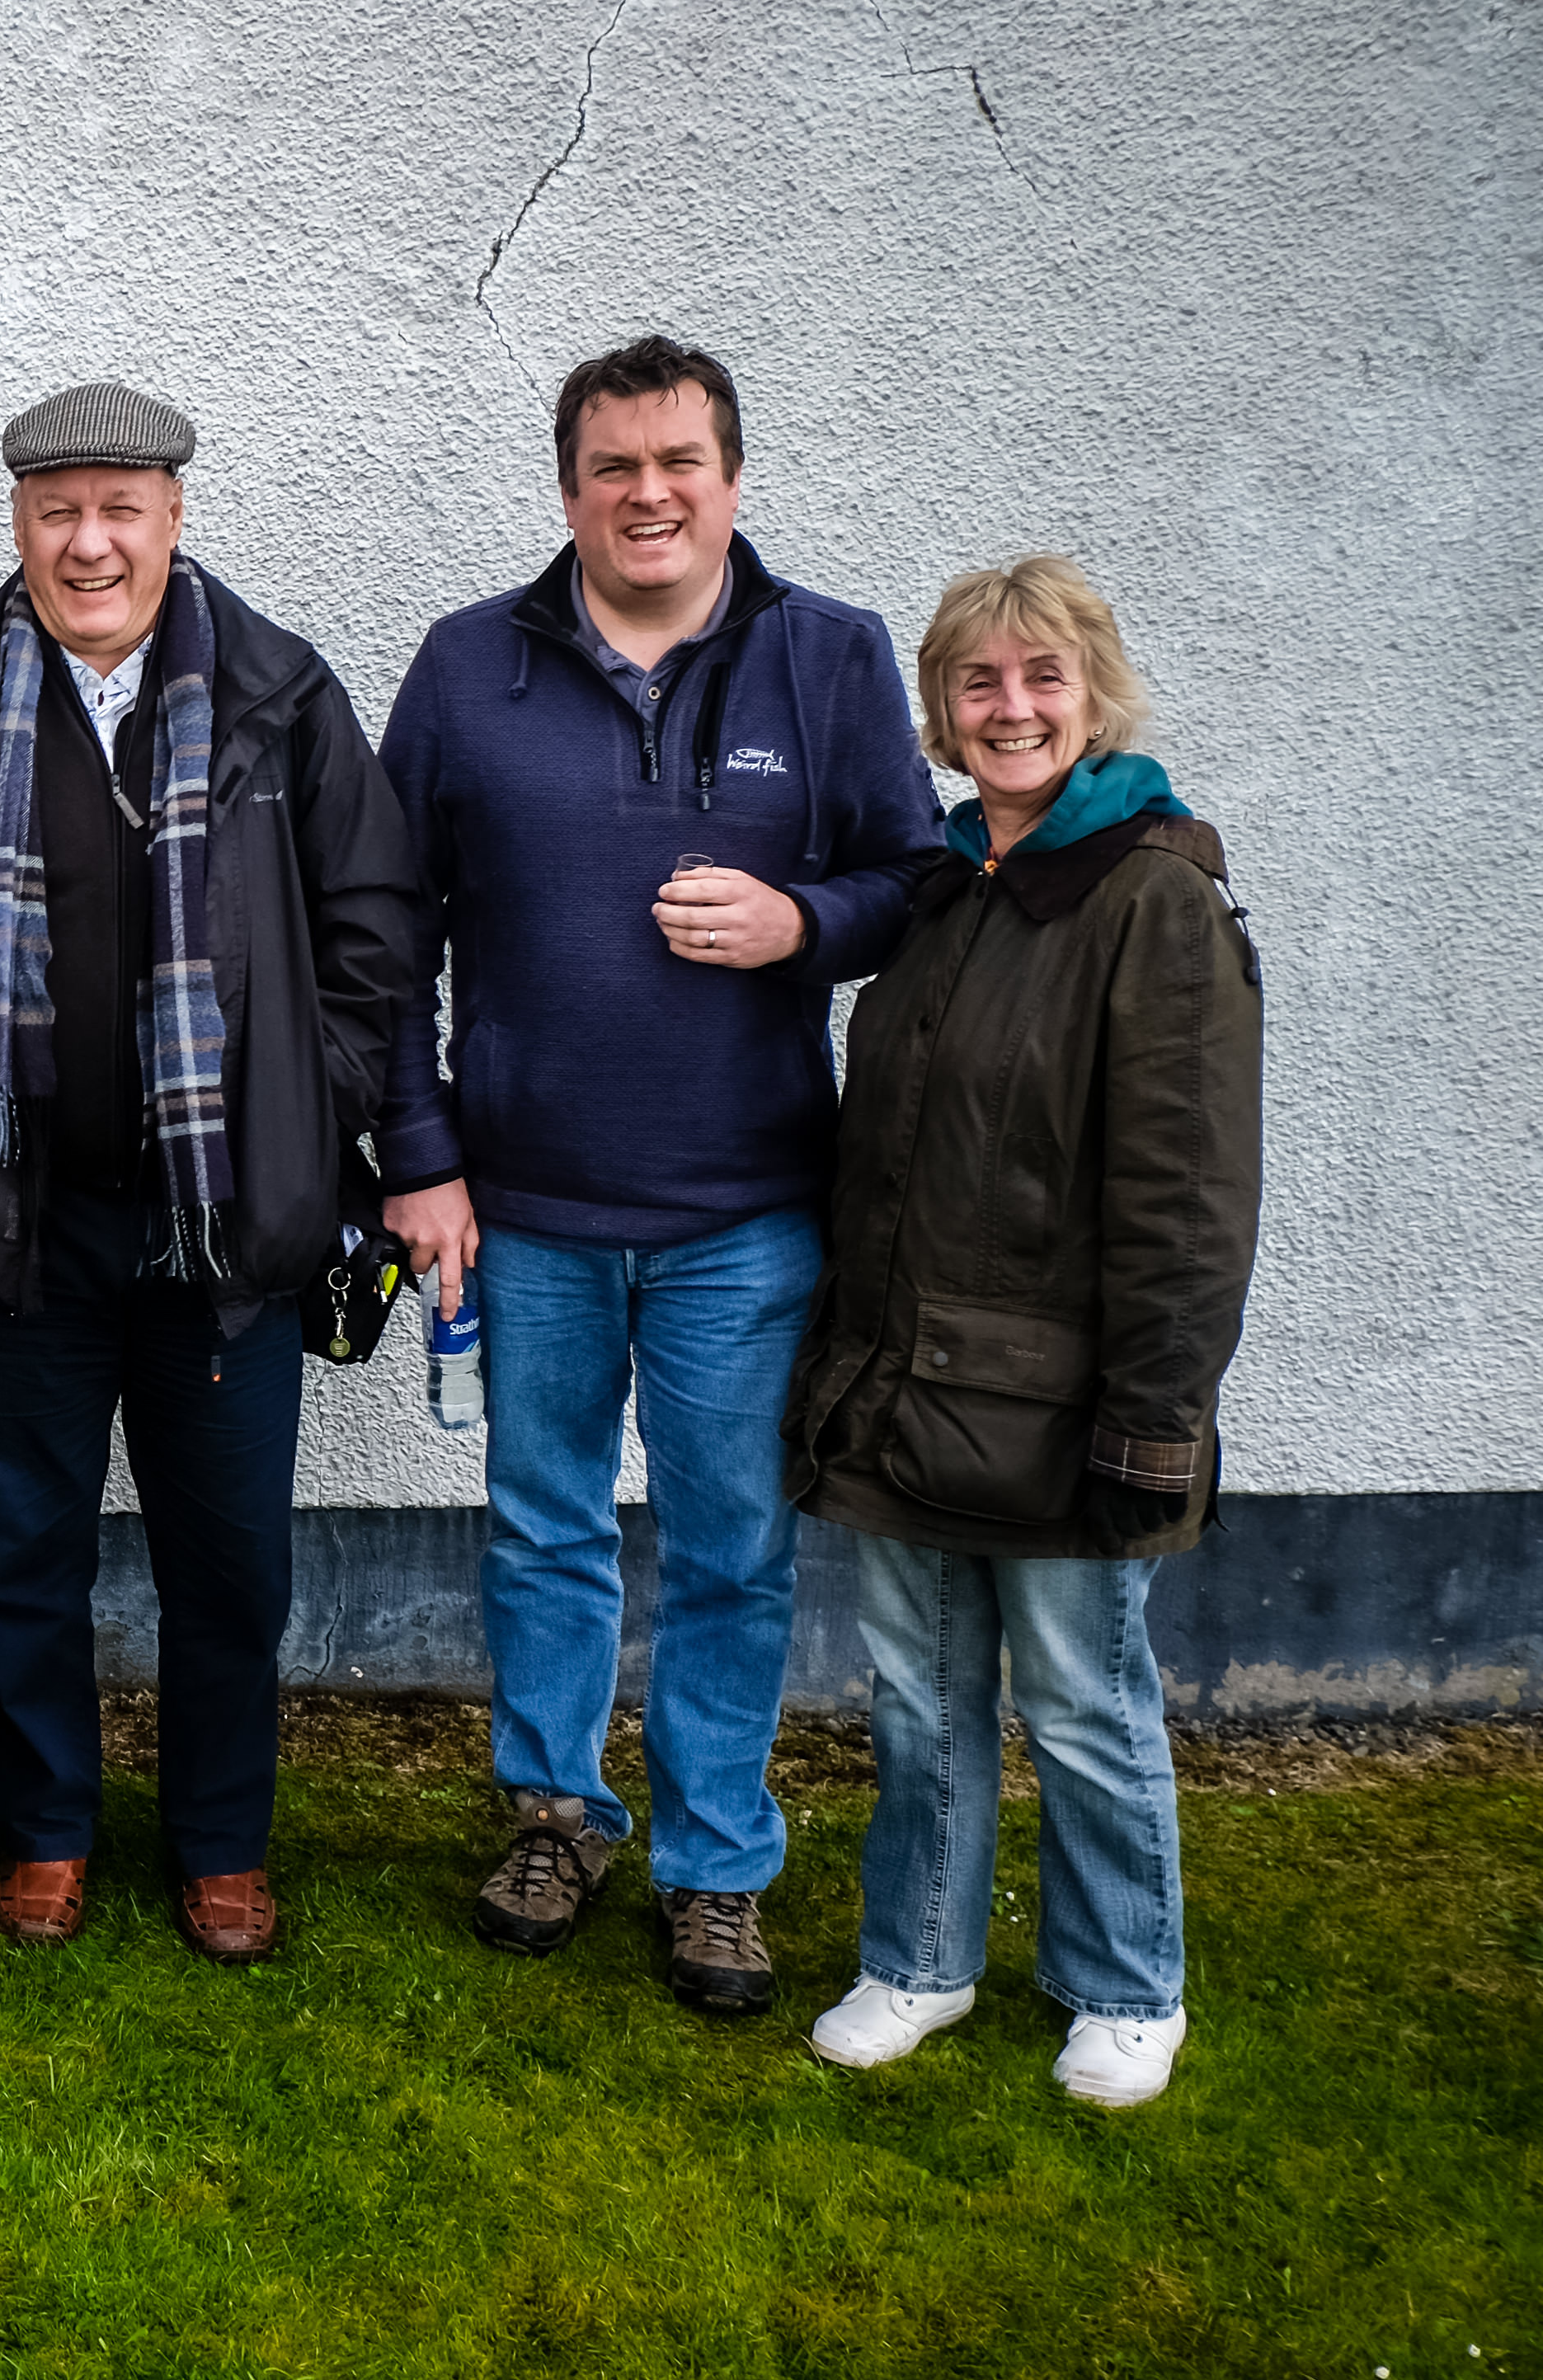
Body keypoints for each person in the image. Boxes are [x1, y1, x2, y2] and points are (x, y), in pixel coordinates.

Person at [0, 383, 431, 1965]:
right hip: (25, 1227)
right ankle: (48, 1831)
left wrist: (302, 1109)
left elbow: (375, 927)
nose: (91, 544)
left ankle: (221, 1842)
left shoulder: (280, 693)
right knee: (23, 1558)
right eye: (59, 512)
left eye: (120, 511)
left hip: (228, 1235)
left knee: (233, 1566)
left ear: (173, 517)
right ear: (18, 523)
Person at [373, 336, 947, 2014]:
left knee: (728, 1550)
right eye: (614, 467)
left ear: (732, 479)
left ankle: (716, 1866)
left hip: (743, 1218)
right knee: (544, 1530)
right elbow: (386, 935)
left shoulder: (827, 657)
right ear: (569, 490)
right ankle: (554, 1817)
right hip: (527, 1210)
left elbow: (916, 880)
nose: (649, 494)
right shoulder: (470, 667)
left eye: (679, 462)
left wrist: (799, 922)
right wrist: (421, 1155)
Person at [788, 557, 1260, 2108]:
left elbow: (1188, 1197)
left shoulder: (1153, 898)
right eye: (978, 681)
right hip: (904, 1387)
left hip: (1064, 1407)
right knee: (920, 1701)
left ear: (1095, 696)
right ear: (939, 708)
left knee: (1081, 1704)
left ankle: (1126, 1987)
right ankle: (918, 1959)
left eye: (1043, 677)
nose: (1010, 708)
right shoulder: (945, 892)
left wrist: (1155, 1421)